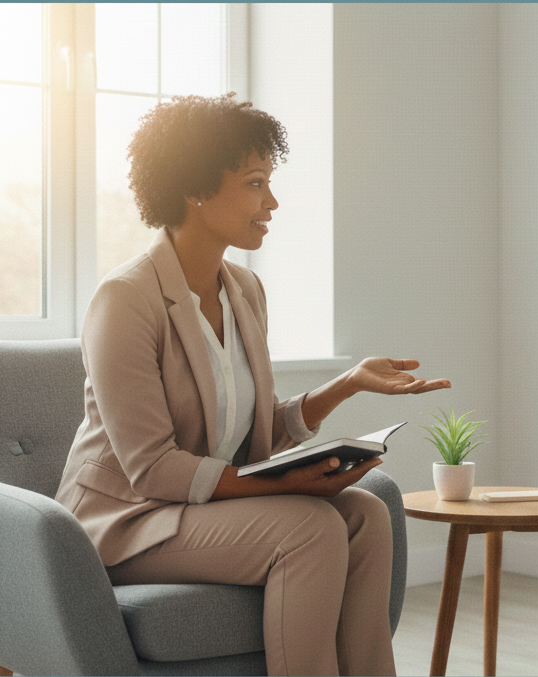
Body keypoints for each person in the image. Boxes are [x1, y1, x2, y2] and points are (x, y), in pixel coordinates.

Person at [55, 93, 451, 676]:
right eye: (255, 183)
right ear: (195, 187)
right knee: (311, 529)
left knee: (366, 516)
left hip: (195, 510)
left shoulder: (244, 291)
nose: (272, 202)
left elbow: (253, 426)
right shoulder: (126, 299)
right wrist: (284, 485)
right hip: (129, 519)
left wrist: (345, 386)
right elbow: (153, 469)